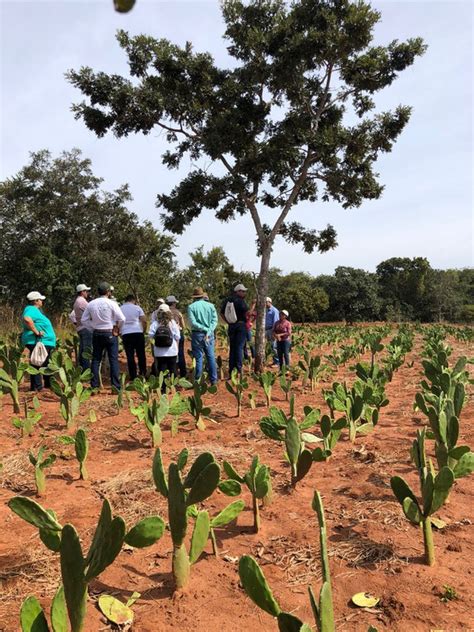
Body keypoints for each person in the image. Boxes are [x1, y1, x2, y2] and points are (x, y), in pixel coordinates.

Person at [81, 282, 125, 391]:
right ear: (108, 292)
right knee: (113, 359)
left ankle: (94, 386)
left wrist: (92, 328)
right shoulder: (111, 303)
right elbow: (122, 319)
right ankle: (115, 387)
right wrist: (117, 328)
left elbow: (83, 320)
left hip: (97, 333)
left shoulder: (91, 303)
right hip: (110, 332)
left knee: (96, 359)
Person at [21, 291, 57, 391]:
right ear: (36, 301)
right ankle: (37, 387)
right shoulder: (31, 309)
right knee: (38, 363)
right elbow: (27, 319)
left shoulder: (34, 310)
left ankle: (45, 385)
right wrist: (36, 332)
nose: (42, 301)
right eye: (40, 299)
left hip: (43, 341)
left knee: (44, 362)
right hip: (39, 341)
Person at [187, 286, 218, 384]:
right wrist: (208, 331)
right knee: (211, 356)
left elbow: (193, 322)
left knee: (199, 357)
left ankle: (198, 380)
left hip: (197, 335)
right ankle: (214, 380)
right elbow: (215, 321)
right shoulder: (211, 306)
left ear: (194, 296)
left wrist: (204, 329)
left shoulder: (191, 307)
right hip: (209, 335)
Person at [148, 303, 180, 386]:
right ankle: (174, 387)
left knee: (162, 371)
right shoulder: (172, 323)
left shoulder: (155, 323)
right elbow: (177, 336)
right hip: (172, 351)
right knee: (173, 370)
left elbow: (150, 335)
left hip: (159, 352)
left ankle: (163, 388)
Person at [221, 283, 249, 376]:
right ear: (238, 291)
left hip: (231, 326)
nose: (245, 293)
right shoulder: (241, 301)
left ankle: (231, 370)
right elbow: (247, 313)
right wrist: (253, 305)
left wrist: (228, 322)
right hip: (241, 326)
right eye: (243, 291)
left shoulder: (227, 300)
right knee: (239, 347)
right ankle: (239, 369)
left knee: (232, 348)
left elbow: (221, 313)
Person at [120, 295, 147, 380]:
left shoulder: (121, 308)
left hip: (126, 333)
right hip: (138, 332)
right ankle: (143, 373)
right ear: (133, 300)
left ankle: (133, 375)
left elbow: (118, 321)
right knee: (141, 354)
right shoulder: (137, 308)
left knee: (130, 355)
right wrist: (143, 330)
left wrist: (121, 332)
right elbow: (144, 320)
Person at [72, 284, 92, 370]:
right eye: (86, 291)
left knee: (82, 349)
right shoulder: (82, 301)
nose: (87, 293)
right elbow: (91, 312)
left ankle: (81, 368)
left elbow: (71, 315)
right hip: (86, 328)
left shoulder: (77, 301)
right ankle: (86, 369)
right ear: (82, 292)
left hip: (80, 328)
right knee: (86, 350)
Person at [166, 295, 187, 378]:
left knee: (169, 353)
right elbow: (183, 326)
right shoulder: (178, 312)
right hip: (178, 333)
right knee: (180, 353)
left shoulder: (165, 312)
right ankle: (183, 373)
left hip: (168, 335)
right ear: (174, 303)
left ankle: (170, 373)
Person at [265, 297, 280, 365]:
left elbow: (276, 322)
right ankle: (274, 361)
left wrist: (274, 332)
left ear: (269, 302)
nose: (264, 304)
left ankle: (277, 362)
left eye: (266, 302)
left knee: (274, 346)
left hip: (272, 330)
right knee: (270, 346)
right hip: (267, 330)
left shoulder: (274, 310)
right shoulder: (266, 310)